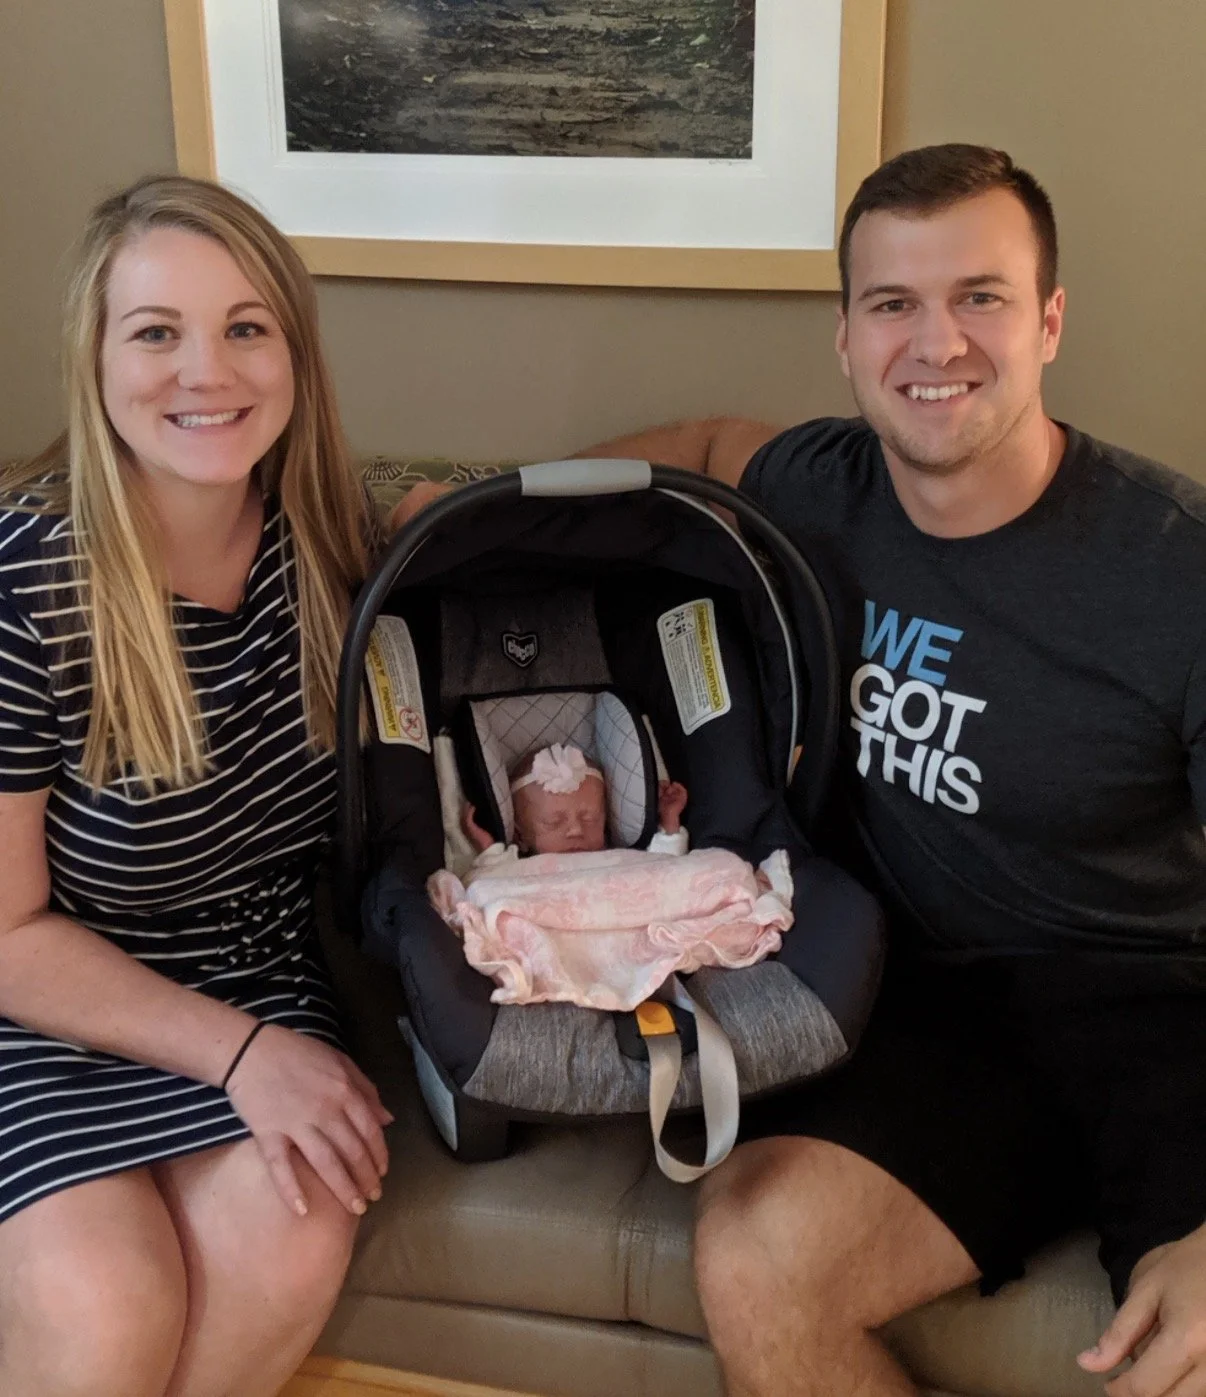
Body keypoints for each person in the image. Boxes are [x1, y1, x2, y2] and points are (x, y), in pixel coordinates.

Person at [395, 143, 1206, 1396]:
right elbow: (711, 442)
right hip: (917, 1003)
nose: (936, 343)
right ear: (846, 338)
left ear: (1050, 320)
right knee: (755, 1252)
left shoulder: (1174, 572)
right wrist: (477, 505)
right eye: (893, 303)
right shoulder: (817, 487)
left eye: (981, 297)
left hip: (1151, 1012)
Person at [0, 175, 392, 1397]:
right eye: (156, 331)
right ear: (97, 358)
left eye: (245, 326)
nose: (205, 372)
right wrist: (241, 1057)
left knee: (296, 1227)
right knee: (109, 1307)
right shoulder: (26, 586)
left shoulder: (336, 540)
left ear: (294, 353)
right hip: (47, 1001)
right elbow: (5, 932)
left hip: (258, 964)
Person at [461, 742, 690, 869]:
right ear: (520, 836)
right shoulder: (524, 870)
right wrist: (489, 850)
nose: (576, 830)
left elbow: (664, 871)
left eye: (590, 819)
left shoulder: (618, 861)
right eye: (554, 822)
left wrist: (669, 822)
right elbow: (495, 885)